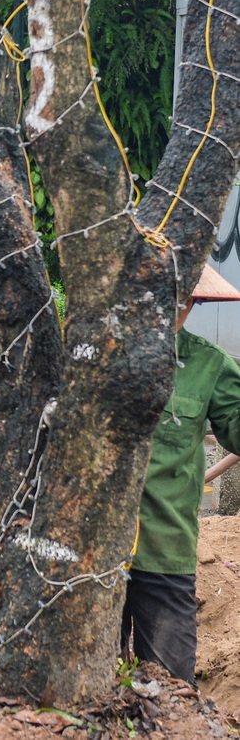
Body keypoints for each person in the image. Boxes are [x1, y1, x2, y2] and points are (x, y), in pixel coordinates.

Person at [121, 264, 240, 684]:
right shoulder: (97, 355)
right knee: (89, 688)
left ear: (195, 302)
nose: (175, 308)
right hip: (92, 553)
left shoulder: (210, 366)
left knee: (172, 691)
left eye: (186, 299)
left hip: (165, 551)